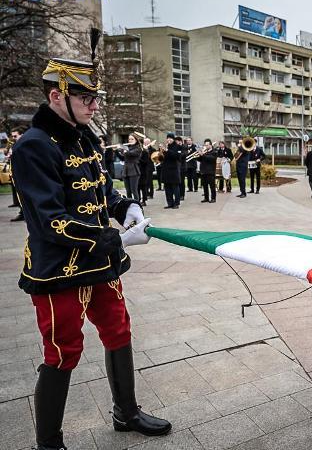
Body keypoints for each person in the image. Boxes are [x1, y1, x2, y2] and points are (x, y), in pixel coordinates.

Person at [11, 38, 171, 450]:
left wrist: (125, 206)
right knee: (63, 351)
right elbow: (51, 222)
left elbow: (99, 191)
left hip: (100, 262)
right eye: (85, 96)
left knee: (119, 331)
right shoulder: (32, 146)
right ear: (56, 96)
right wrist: (116, 238)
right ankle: (48, 443)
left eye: (94, 97)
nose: (94, 104)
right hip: (59, 268)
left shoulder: (83, 137)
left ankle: (126, 412)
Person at [8, 126, 26, 222]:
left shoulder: (25, 144)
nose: (13, 138)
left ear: (22, 135)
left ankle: (24, 214)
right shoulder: (16, 145)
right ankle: (23, 213)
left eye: (15, 136)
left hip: (24, 175)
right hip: (17, 174)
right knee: (19, 195)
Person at [161, 133, 182, 209]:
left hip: (174, 170)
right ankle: (170, 203)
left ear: (173, 139)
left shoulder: (178, 147)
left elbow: (177, 156)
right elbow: (161, 158)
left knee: (175, 187)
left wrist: (167, 150)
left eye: (170, 138)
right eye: (168, 138)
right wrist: (161, 153)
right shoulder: (165, 146)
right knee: (167, 188)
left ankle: (176, 203)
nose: (169, 140)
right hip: (166, 169)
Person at [119, 133, 142, 202]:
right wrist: (117, 151)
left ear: (136, 140)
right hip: (126, 170)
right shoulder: (128, 148)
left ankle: (137, 205)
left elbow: (131, 153)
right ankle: (130, 205)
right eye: (129, 139)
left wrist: (123, 149)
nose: (130, 140)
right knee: (128, 191)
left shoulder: (138, 148)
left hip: (134, 170)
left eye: (132, 139)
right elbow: (123, 158)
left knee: (134, 190)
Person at [196, 139, 218, 203]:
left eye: (207, 145)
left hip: (210, 171)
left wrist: (203, 155)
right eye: (205, 145)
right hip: (203, 171)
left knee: (212, 186)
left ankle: (213, 198)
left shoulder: (214, 151)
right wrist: (199, 155)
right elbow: (200, 160)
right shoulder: (205, 152)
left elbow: (211, 159)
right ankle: (206, 198)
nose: (206, 146)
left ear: (211, 145)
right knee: (205, 186)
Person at [140, 138, 156, 202]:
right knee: (145, 182)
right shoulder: (142, 149)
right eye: (145, 142)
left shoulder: (152, 149)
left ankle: (151, 194)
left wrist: (147, 150)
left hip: (150, 167)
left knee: (150, 181)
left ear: (149, 143)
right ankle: (146, 194)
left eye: (147, 142)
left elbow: (152, 157)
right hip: (144, 167)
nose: (146, 143)